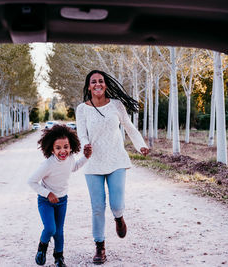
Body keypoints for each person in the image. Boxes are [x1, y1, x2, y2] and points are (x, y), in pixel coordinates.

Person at [76, 70, 149, 264]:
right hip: (93, 162)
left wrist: (140, 144)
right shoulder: (82, 109)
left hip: (116, 159)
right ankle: (100, 247)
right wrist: (85, 146)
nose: (97, 84)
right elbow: (82, 133)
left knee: (116, 204)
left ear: (106, 84)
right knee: (97, 207)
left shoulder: (116, 105)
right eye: (93, 82)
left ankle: (119, 218)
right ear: (88, 86)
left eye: (101, 81)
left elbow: (129, 127)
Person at [28, 124, 92, 267]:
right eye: (58, 148)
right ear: (52, 149)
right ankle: (42, 248)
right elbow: (31, 181)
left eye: (66, 147)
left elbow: (74, 167)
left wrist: (86, 157)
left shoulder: (69, 159)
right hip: (46, 201)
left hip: (62, 200)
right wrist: (48, 193)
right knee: (50, 228)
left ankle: (59, 258)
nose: (63, 151)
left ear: (71, 147)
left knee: (59, 231)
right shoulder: (48, 164)